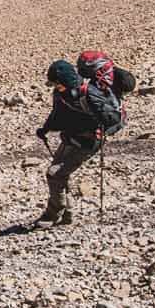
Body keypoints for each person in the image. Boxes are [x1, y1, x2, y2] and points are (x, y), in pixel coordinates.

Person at [35, 54, 130, 225]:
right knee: (58, 175)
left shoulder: (89, 94)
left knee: (54, 174)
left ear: (66, 80)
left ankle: (52, 215)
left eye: (57, 84)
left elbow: (112, 119)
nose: (56, 87)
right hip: (72, 137)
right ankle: (66, 215)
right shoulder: (61, 93)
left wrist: (99, 125)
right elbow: (56, 113)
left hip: (89, 142)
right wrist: (45, 129)